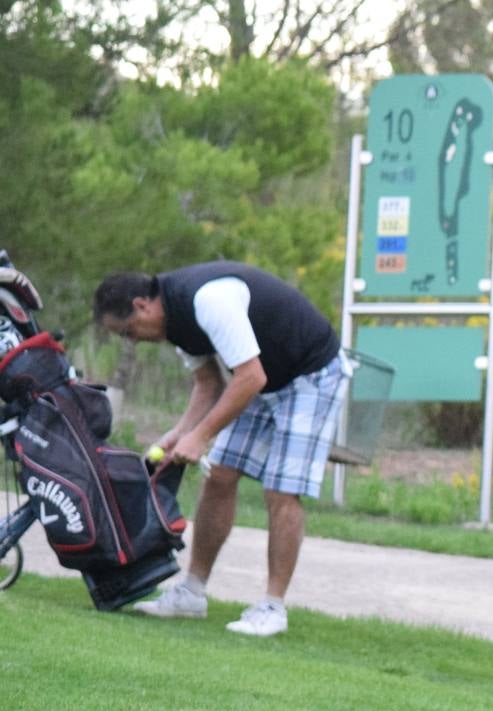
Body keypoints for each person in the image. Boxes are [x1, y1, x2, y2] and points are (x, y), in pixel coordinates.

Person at [94, 264, 346, 637]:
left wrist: (201, 437)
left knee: (281, 490)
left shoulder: (207, 301)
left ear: (142, 306)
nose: (132, 340)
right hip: (263, 380)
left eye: (128, 331)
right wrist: (181, 433)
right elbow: (208, 384)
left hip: (310, 373)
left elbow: (250, 377)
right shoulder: (175, 324)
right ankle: (192, 594)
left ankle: (272, 608)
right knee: (220, 476)